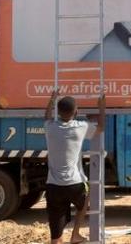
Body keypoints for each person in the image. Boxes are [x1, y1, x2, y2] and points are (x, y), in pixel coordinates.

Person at [44, 90, 106, 244]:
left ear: (58, 111)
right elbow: (101, 127)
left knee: (55, 237)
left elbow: (47, 117)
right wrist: (102, 107)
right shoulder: (80, 127)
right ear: (76, 111)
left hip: (53, 186)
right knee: (85, 201)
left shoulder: (50, 128)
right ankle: (75, 234)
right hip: (74, 185)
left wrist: (51, 100)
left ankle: (60, 238)